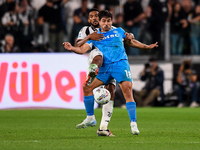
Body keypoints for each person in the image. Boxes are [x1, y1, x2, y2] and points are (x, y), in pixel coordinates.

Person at [63, 10, 158, 136]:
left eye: (108, 20)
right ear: (100, 22)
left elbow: (131, 42)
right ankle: (91, 118)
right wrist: (72, 48)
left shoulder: (118, 31)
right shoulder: (95, 36)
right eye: (104, 21)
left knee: (127, 92)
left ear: (111, 21)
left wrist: (147, 46)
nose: (106, 23)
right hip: (105, 68)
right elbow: (82, 49)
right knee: (86, 87)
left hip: (120, 65)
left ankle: (133, 125)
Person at [74, 8, 134, 136]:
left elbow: (125, 36)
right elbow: (78, 45)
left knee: (110, 90)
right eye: (92, 16)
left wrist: (130, 35)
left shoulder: (112, 29)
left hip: (110, 63)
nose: (95, 18)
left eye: (97, 16)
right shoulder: (85, 30)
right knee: (98, 54)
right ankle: (94, 70)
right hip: (94, 58)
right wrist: (89, 37)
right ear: (89, 19)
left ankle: (103, 128)